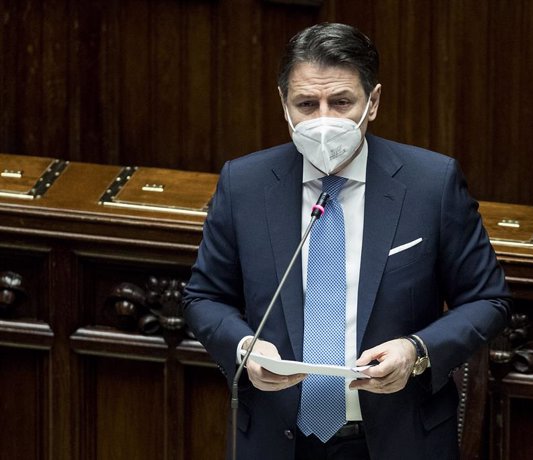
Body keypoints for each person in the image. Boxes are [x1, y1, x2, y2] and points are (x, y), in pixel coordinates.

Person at [183, 22, 511, 460]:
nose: (324, 121)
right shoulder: (244, 184)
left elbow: (488, 300)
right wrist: (244, 348)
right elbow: (203, 297)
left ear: (372, 102)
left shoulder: (431, 184)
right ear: (284, 105)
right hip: (276, 439)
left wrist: (416, 352)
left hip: (398, 439)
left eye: (340, 102)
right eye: (306, 104)